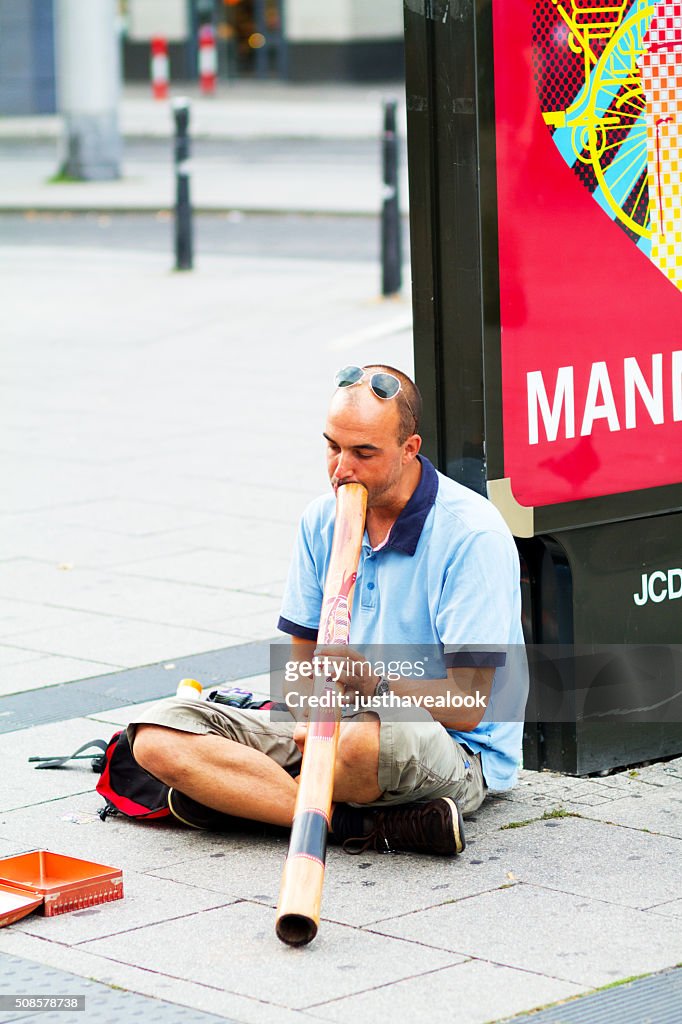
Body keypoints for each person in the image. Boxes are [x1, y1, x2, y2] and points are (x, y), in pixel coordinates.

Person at [130, 365, 527, 856]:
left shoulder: (472, 536)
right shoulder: (321, 518)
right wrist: (309, 717)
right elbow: (298, 674)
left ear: (409, 449)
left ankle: (251, 796)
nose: (342, 470)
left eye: (363, 453)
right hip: (338, 725)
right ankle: (360, 824)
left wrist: (374, 686)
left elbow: (470, 707)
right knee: (156, 735)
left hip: (452, 749)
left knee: (361, 744)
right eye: (333, 447)